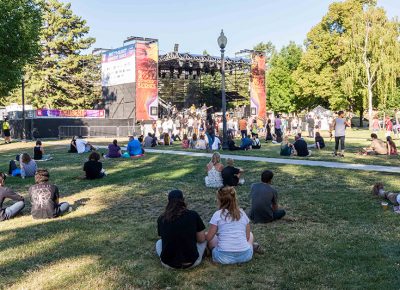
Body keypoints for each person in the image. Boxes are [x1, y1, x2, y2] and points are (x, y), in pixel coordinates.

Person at [206, 186, 260, 265]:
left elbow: (208, 238)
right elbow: (247, 237)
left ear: (219, 200)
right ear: (234, 199)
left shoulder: (217, 215)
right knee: (251, 235)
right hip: (245, 256)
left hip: (222, 257)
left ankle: (210, 251)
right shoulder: (242, 213)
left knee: (210, 235)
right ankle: (251, 246)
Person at [156, 190, 207, 269]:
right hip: (192, 262)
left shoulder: (161, 218)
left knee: (159, 243)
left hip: (168, 264)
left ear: (168, 202)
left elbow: (163, 238)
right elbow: (201, 239)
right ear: (183, 200)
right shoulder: (193, 215)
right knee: (205, 238)